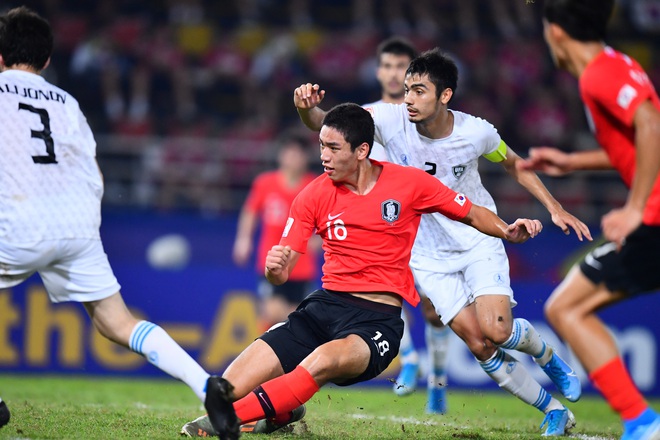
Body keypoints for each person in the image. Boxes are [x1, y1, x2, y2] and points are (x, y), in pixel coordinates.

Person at [199, 102, 543, 439]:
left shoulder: (409, 184)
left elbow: (469, 211)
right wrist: (275, 269)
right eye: (321, 145)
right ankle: (281, 410)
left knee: (320, 362)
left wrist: (506, 230)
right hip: (324, 307)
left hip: (376, 321)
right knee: (226, 385)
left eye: (334, 147)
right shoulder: (312, 195)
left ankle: (227, 421)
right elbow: (282, 272)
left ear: (362, 150)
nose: (324, 156)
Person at [294, 48, 593, 436]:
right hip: (426, 254)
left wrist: (554, 207)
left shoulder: (476, 132)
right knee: (479, 344)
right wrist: (305, 109)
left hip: (477, 237)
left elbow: (513, 163)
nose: (409, 100)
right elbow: (325, 125)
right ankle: (553, 410)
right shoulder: (387, 118)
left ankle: (547, 355)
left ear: (445, 95)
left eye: (419, 91)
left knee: (497, 331)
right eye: (406, 90)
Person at [0, 6, 212, 423]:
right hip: (77, 226)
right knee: (118, 322)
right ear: (46, 60)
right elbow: (94, 174)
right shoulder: (66, 103)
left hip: (17, 221)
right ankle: (206, 385)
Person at [517, 1, 660, 439]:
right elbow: (633, 142)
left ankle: (641, 421)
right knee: (571, 308)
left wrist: (636, 208)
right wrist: (571, 162)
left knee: (565, 308)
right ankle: (641, 420)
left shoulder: (599, 74)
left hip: (654, 218)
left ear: (556, 32)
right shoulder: (615, 64)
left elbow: (652, 124)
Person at [364, 35, 452, 412]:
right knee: (378, 293)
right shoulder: (366, 115)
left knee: (433, 310)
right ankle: (410, 358)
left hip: (425, 224)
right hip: (381, 222)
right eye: (386, 66)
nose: (391, 73)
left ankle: (438, 382)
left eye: (400, 67)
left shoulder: (424, 118)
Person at [232, 134, 320, 331]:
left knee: (296, 316)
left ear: (306, 158)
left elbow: (331, 215)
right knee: (272, 311)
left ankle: (287, 359)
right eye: (290, 153)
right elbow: (250, 211)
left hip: (302, 264)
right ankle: (260, 354)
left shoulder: (314, 185)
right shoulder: (265, 183)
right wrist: (243, 239)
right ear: (281, 155)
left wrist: (320, 239)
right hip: (271, 261)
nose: (294, 158)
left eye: (299, 154)